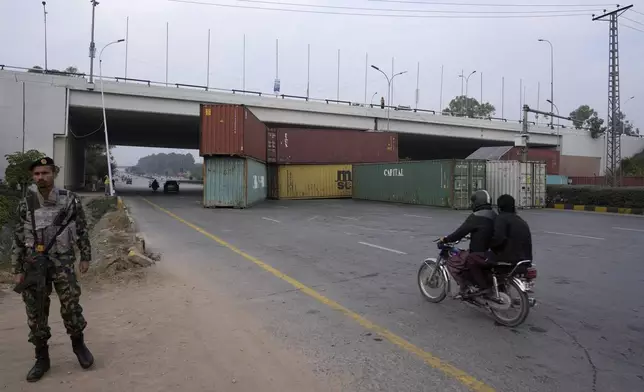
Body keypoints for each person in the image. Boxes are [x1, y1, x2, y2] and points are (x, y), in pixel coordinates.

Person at [11, 157, 94, 382]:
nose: (41, 177)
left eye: (45, 173)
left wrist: (85, 257)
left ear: (54, 174)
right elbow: (18, 238)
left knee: (71, 306)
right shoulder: (26, 203)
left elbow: (82, 230)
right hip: (33, 264)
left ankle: (79, 346)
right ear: (32, 177)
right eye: (36, 174)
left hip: (62, 261)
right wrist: (17, 268)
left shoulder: (69, 201)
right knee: (36, 312)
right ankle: (42, 358)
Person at [440, 190, 497, 297]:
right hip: (492, 252)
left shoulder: (476, 216)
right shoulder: (494, 214)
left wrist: (446, 239)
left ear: (477, 202)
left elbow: (459, 233)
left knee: (454, 261)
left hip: (478, 253)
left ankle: (464, 287)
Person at [490, 194, 533, 264]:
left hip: (508, 261)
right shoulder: (522, 221)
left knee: (474, 258)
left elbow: (498, 238)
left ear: (499, 208)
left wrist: (487, 243)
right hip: (526, 261)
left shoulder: (501, 218)